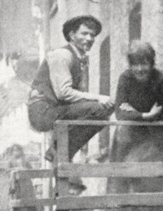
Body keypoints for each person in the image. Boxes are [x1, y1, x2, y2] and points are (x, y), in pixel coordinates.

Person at [108, 40, 163, 211]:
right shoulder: (125, 79)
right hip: (128, 139)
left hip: (153, 140)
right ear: (130, 65)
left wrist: (136, 115)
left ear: (151, 63)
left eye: (144, 63)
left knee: (148, 180)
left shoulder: (162, 82)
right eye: (135, 64)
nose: (139, 69)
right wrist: (145, 116)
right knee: (123, 178)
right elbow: (120, 111)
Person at [27, 15, 114, 162]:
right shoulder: (62, 55)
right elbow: (64, 93)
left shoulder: (79, 58)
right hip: (42, 110)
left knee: (105, 110)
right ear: (72, 35)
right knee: (99, 109)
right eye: (84, 33)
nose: (89, 39)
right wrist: (98, 97)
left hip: (55, 108)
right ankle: (58, 151)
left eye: (92, 35)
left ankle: (58, 152)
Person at [7, 144, 43, 211]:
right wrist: (14, 170)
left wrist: (24, 169)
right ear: (12, 152)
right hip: (16, 184)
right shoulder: (11, 161)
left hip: (26, 183)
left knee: (28, 199)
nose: (16, 152)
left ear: (21, 151)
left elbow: (31, 169)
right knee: (17, 200)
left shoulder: (25, 160)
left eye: (18, 150)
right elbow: (7, 170)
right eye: (14, 150)